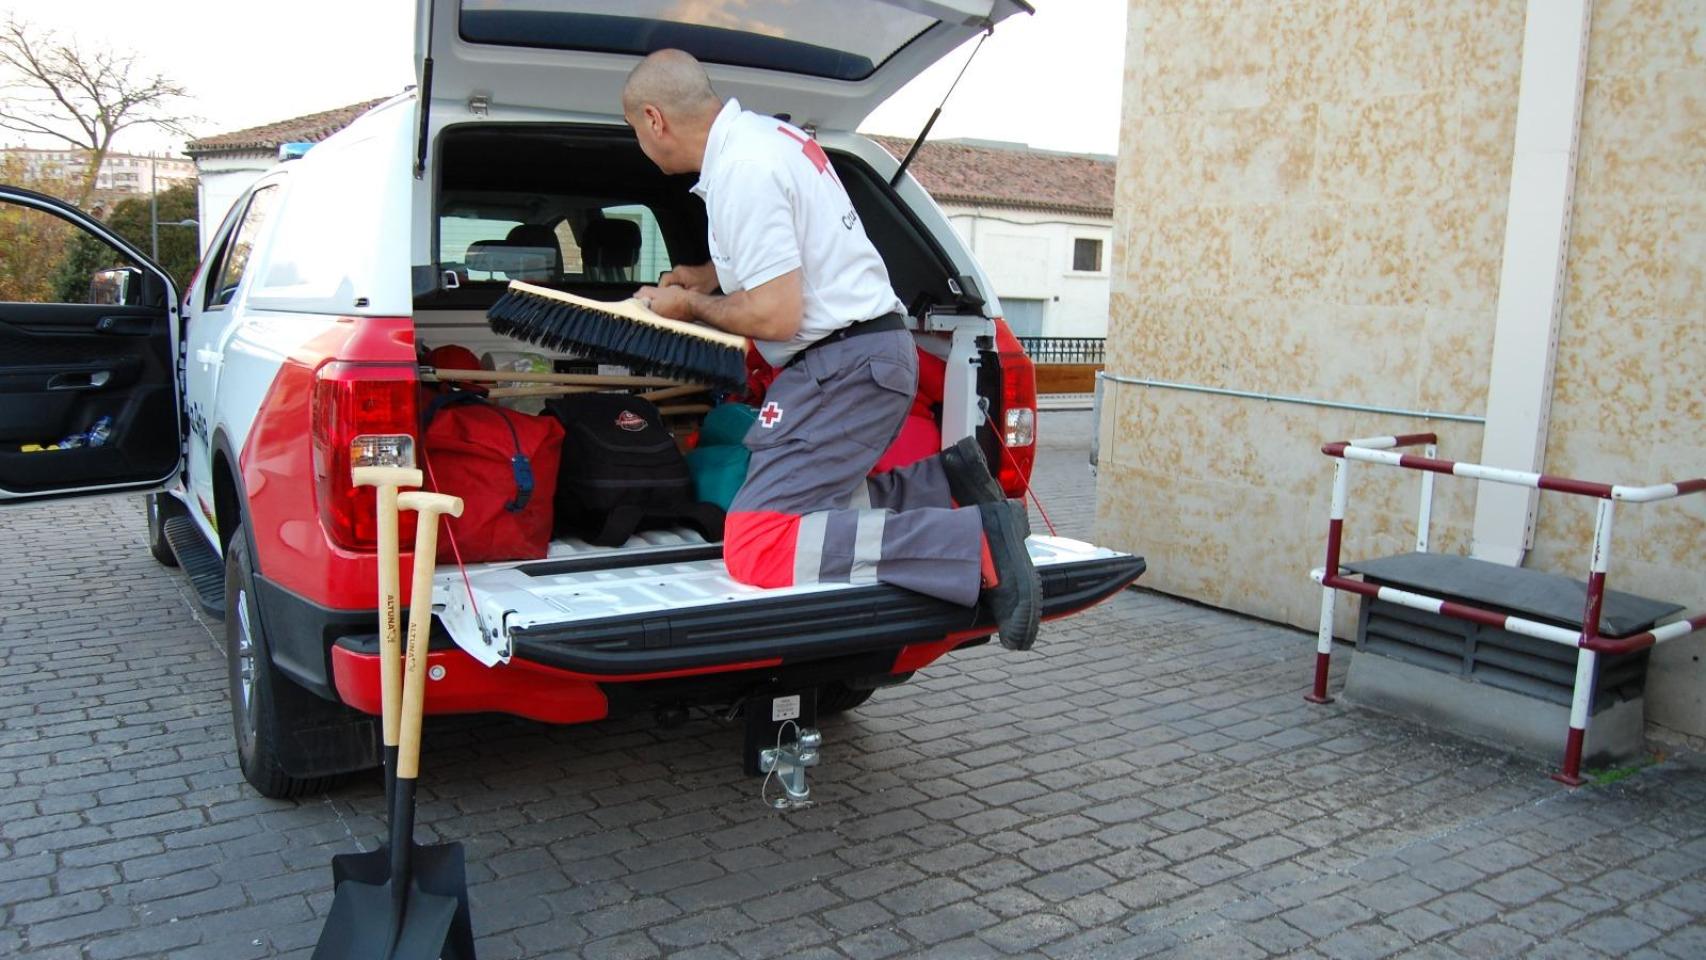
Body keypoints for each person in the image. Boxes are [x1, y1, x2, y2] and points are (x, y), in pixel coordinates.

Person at [621, 49, 1041, 650]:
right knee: (818, 503)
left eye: (635, 130)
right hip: (858, 357)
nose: (640, 141)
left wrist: (688, 308)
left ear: (655, 119)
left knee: (757, 541)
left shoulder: (744, 166)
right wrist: (708, 277)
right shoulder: (769, 140)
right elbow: (789, 246)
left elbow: (775, 314)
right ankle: (943, 487)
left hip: (842, 366)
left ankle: (970, 542)